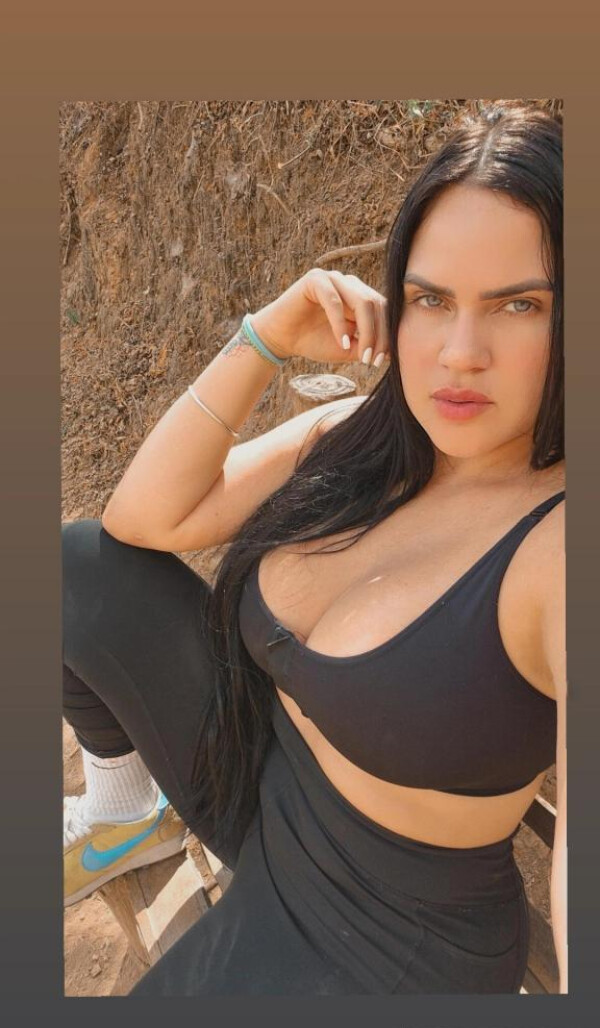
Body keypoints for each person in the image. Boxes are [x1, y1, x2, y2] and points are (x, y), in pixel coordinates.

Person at [62, 102, 566, 995]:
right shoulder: (364, 439)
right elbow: (142, 522)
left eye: (518, 305)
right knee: (74, 571)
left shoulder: (560, 547)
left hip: (382, 934)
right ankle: (126, 811)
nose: (460, 353)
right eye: (431, 299)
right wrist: (263, 337)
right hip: (262, 785)